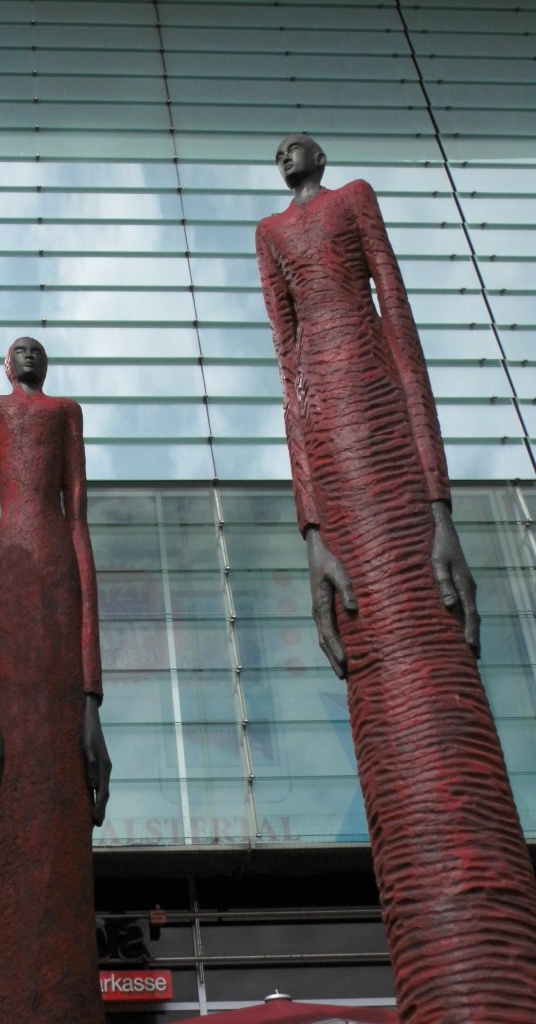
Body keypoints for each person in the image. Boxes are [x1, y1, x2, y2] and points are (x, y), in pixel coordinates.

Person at [256, 134, 536, 1023]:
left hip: (381, 413)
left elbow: (400, 324)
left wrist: (441, 505)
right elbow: (284, 360)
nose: (286, 149)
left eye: (297, 141)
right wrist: (309, 530)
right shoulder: (269, 233)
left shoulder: (354, 201)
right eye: (277, 146)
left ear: (319, 155)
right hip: (329, 449)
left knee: (437, 680)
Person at [0, 337, 110, 1024]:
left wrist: (92, 697)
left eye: (35, 347)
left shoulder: (66, 412)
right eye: (16, 348)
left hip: (55, 574)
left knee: (59, 807)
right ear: (6, 365)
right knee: (22, 809)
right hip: (12, 576)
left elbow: (78, 522)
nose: (26, 354)